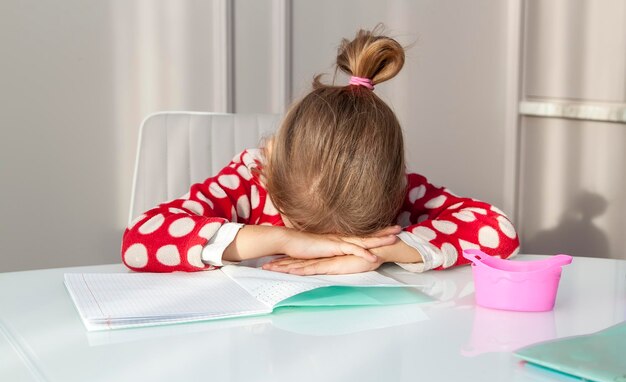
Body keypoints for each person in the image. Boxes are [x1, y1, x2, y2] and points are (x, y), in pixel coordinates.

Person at [121, 27, 520, 275]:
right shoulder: (249, 178)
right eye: (307, 229)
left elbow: (499, 231)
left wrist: (380, 252)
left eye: (346, 237)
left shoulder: (398, 189)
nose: (328, 247)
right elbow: (140, 239)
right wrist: (282, 239)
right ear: (271, 164)